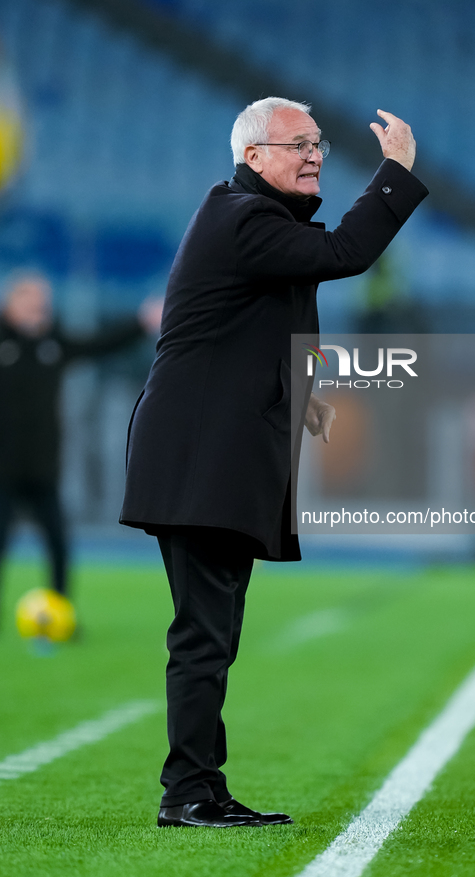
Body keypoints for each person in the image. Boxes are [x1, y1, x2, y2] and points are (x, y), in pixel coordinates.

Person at [120, 97, 428, 828]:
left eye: (318, 143)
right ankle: (188, 793)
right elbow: (343, 254)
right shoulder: (243, 218)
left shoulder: (252, 219)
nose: (315, 153)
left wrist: (302, 395)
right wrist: (395, 175)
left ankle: (199, 785)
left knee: (211, 632)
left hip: (211, 453)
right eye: (298, 144)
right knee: (202, 634)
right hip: (202, 458)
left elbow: (263, 322)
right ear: (253, 156)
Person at [0, 272, 161, 609]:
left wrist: (139, 322)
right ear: (11, 304)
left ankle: (60, 611)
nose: (37, 308)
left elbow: (98, 344)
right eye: (29, 300)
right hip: (4, 468)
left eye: (41, 301)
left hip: (42, 467)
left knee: (58, 542)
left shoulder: (54, 344)